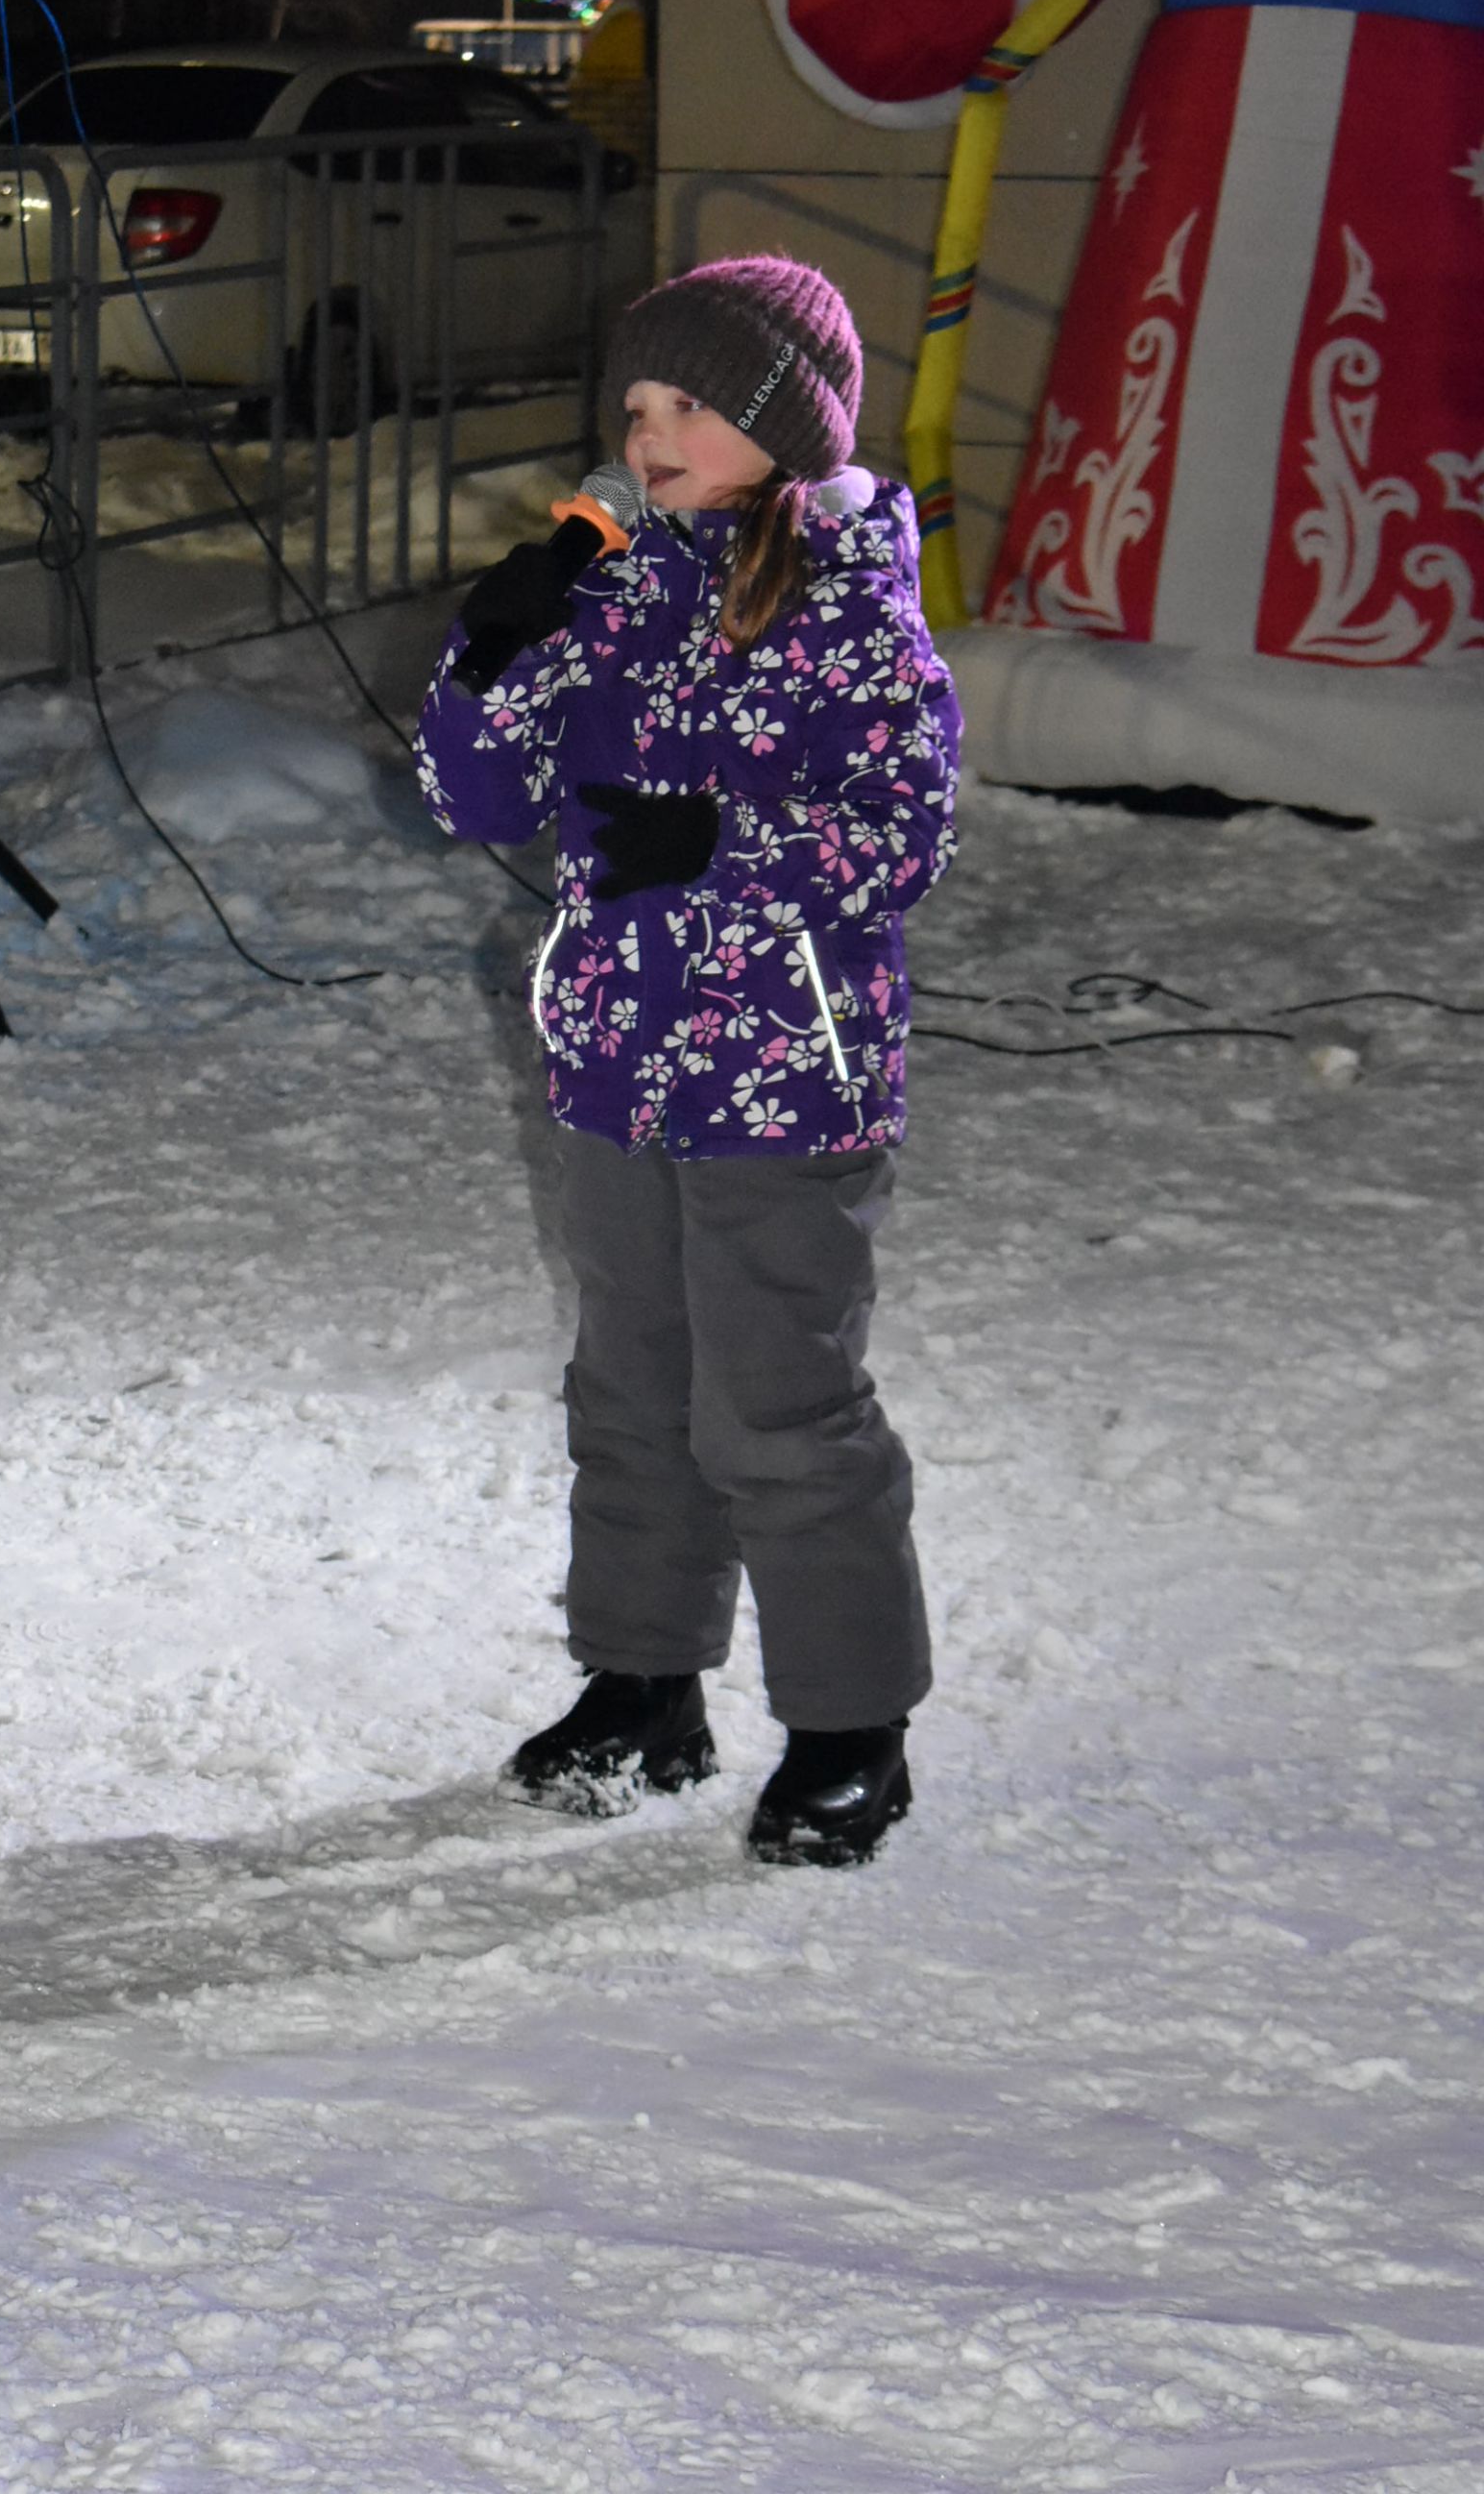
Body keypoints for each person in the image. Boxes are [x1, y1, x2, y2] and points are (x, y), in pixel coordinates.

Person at [414, 256, 961, 1867]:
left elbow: (898, 837)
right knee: (633, 1390)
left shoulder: (855, 606)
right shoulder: (614, 588)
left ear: (784, 428)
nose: (649, 436)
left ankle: (854, 1725)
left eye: (691, 408)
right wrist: (492, 650)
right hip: (615, 1064)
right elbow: (478, 803)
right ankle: (643, 1689)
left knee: (780, 1411)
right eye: (637, 404)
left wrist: (726, 839)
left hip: (785, 1074)